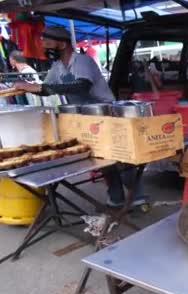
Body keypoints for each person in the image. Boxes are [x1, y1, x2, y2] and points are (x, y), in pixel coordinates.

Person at [13, 26, 147, 208]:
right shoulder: (58, 67)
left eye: (47, 43)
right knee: (102, 159)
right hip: (84, 118)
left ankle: (138, 198)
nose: (45, 48)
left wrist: (39, 88)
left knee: (121, 158)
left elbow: (81, 86)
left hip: (106, 114)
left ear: (61, 44)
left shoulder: (82, 61)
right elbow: (46, 87)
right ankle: (116, 197)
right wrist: (24, 86)